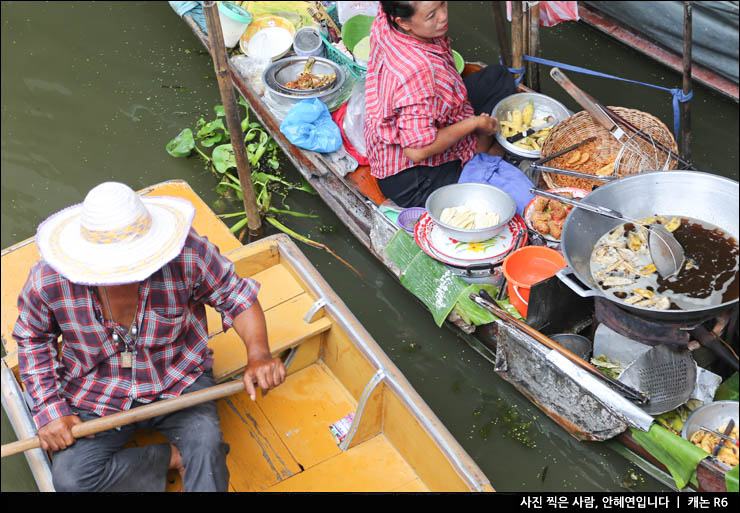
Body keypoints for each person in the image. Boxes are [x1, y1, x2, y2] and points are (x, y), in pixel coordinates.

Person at [12, 181, 286, 492]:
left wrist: (259, 354)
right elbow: (33, 338)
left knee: (206, 448)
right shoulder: (48, 280)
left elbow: (234, 295)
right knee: (71, 481)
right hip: (95, 391)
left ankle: (192, 456)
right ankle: (169, 458)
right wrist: (51, 410)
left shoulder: (187, 254)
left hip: (177, 380)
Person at [364, 1, 516, 208]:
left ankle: (479, 148)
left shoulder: (387, 16)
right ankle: (482, 154)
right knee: (482, 194)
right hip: (413, 177)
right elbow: (416, 151)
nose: (443, 16)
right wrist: (473, 124)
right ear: (403, 22)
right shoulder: (420, 72)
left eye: (442, 4)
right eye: (431, 15)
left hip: (421, 115)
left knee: (498, 77)